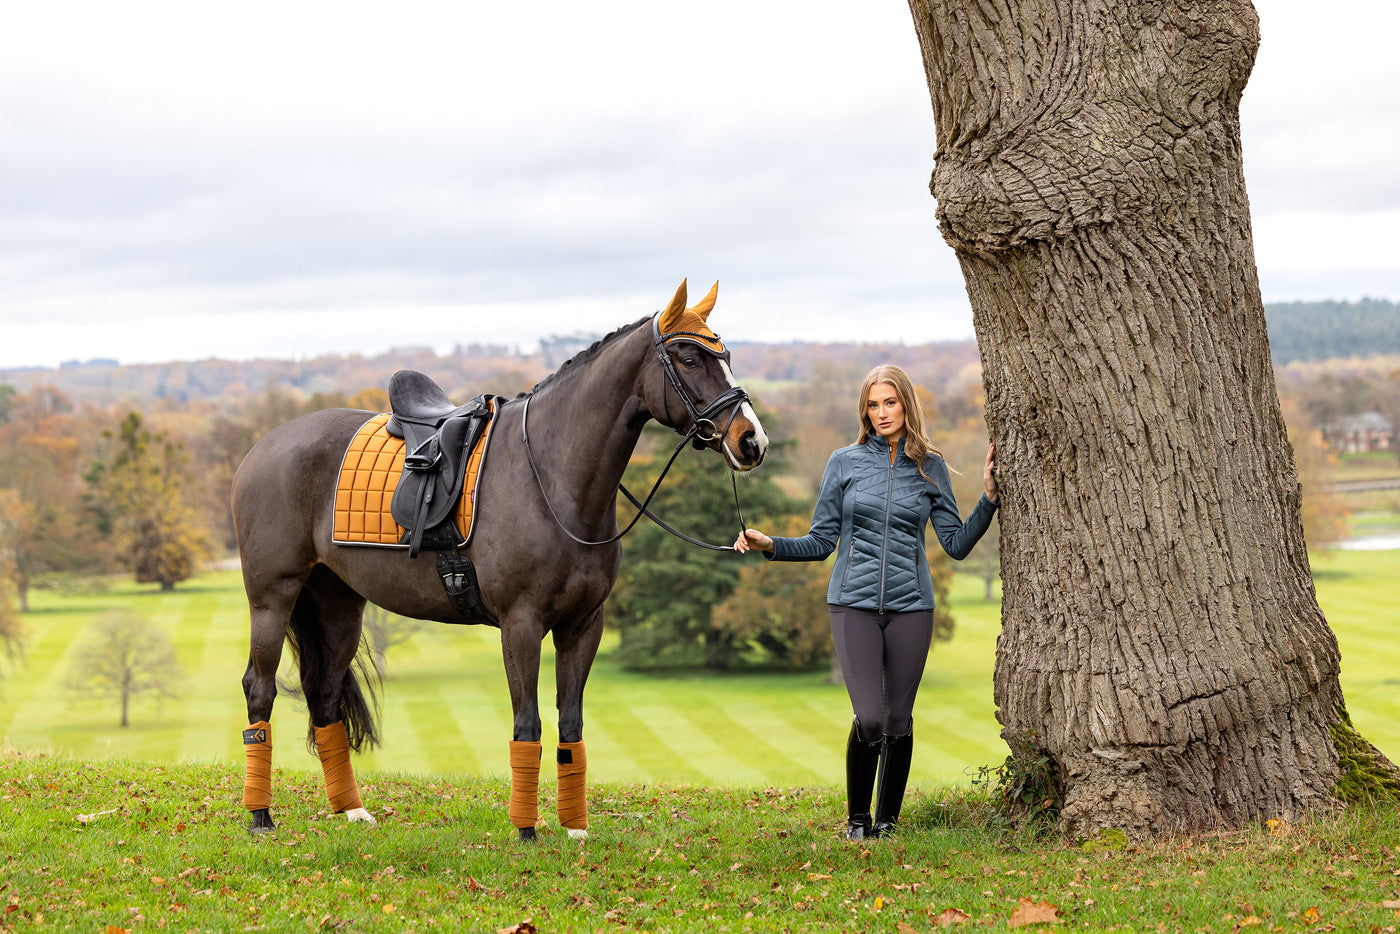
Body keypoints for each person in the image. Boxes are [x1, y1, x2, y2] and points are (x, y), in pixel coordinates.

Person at [734, 364, 999, 840]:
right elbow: (820, 541)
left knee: (898, 719)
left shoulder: (930, 467)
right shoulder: (844, 462)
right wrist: (769, 543)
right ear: (865, 410)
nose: (881, 413)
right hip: (852, 603)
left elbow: (956, 544)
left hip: (912, 606)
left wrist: (989, 498)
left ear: (906, 406)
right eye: (873, 405)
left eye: (890, 402)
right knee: (871, 718)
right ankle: (858, 822)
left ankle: (887, 823)